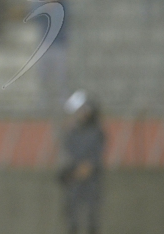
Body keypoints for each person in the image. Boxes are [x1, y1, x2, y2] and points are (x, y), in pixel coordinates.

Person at [59, 90, 105, 234]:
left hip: (91, 177)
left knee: (92, 212)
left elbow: (96, 155)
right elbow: (69, 153)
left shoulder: (96, 132)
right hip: (75, 176)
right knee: (72, 210)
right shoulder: (73, 132)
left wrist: (86, 168)